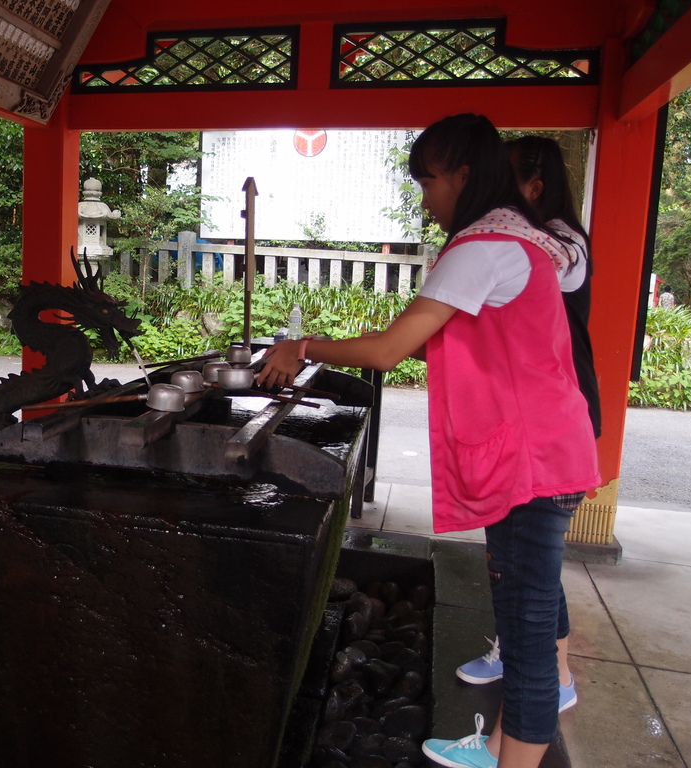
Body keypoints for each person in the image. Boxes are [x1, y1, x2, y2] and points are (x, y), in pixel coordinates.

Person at [257, 113, 600, 768]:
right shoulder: (519, 239)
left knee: (527, 647)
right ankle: (499, 744)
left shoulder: (483, 248)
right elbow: (453, 345)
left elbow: (388, 350)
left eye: (430, 181)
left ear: (465, 176)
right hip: (542, 455)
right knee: (526, 609)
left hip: (532, 463)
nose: (426, 197)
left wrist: (301, 347)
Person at [453, 136, 602, 753]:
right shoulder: (541, 236)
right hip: (547, 418)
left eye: (503, 182)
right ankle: (544, 668)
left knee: (529, 580)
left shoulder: (556, 244)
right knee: (532, 573)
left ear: (534, 188)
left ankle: (542, 673)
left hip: (550, 421)